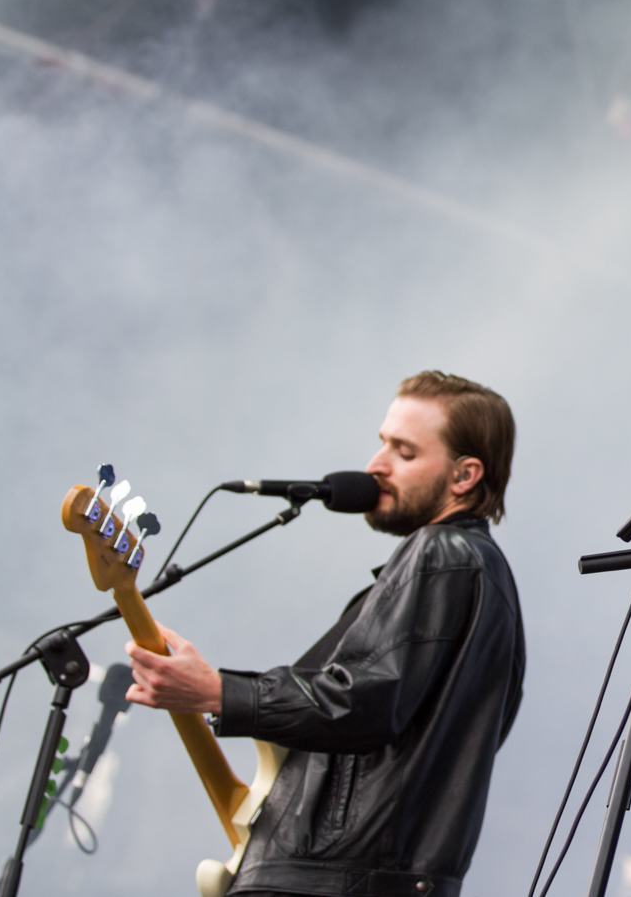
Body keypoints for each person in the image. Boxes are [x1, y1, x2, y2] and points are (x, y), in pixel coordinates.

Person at [125, 371, 526, 897]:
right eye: (382, 443)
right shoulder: (481, 577)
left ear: (464, 476)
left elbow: (366, 699)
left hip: (330, 881)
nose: (375, 466)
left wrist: (219, 691)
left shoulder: (442, 555)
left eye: (403, 452)